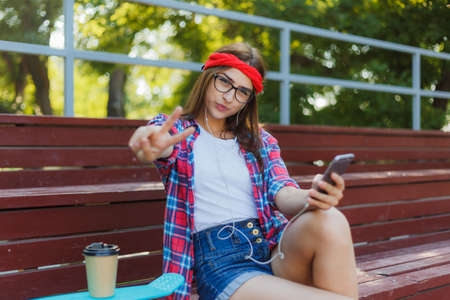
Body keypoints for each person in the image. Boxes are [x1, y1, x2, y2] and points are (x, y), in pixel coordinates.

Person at [129, 42, 358, 300]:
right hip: (222, 266)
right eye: (224, 82)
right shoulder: (177, 133)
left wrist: (313, 196)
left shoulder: (260, 142)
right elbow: (153, 140)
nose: (229, 96)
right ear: (207, 75)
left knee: (331, 218)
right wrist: (147, 143)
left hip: (272, 250)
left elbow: (282, 191)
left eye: (242, 91)